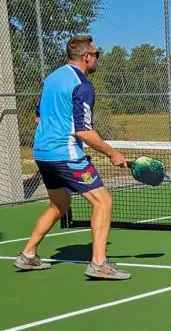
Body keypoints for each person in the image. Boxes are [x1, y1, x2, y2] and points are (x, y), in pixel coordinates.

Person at [13, 35, 131, 280]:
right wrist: (112, 153)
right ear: (86, 57)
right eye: (97, 54)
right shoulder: (83, 85)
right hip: (65, 154)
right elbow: (84, 131)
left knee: (59, 205)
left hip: (42, 153)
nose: (98, 58)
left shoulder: (52, 78)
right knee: (103, 202)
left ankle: (28, 254)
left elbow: (39, 117)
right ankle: (99, 263)